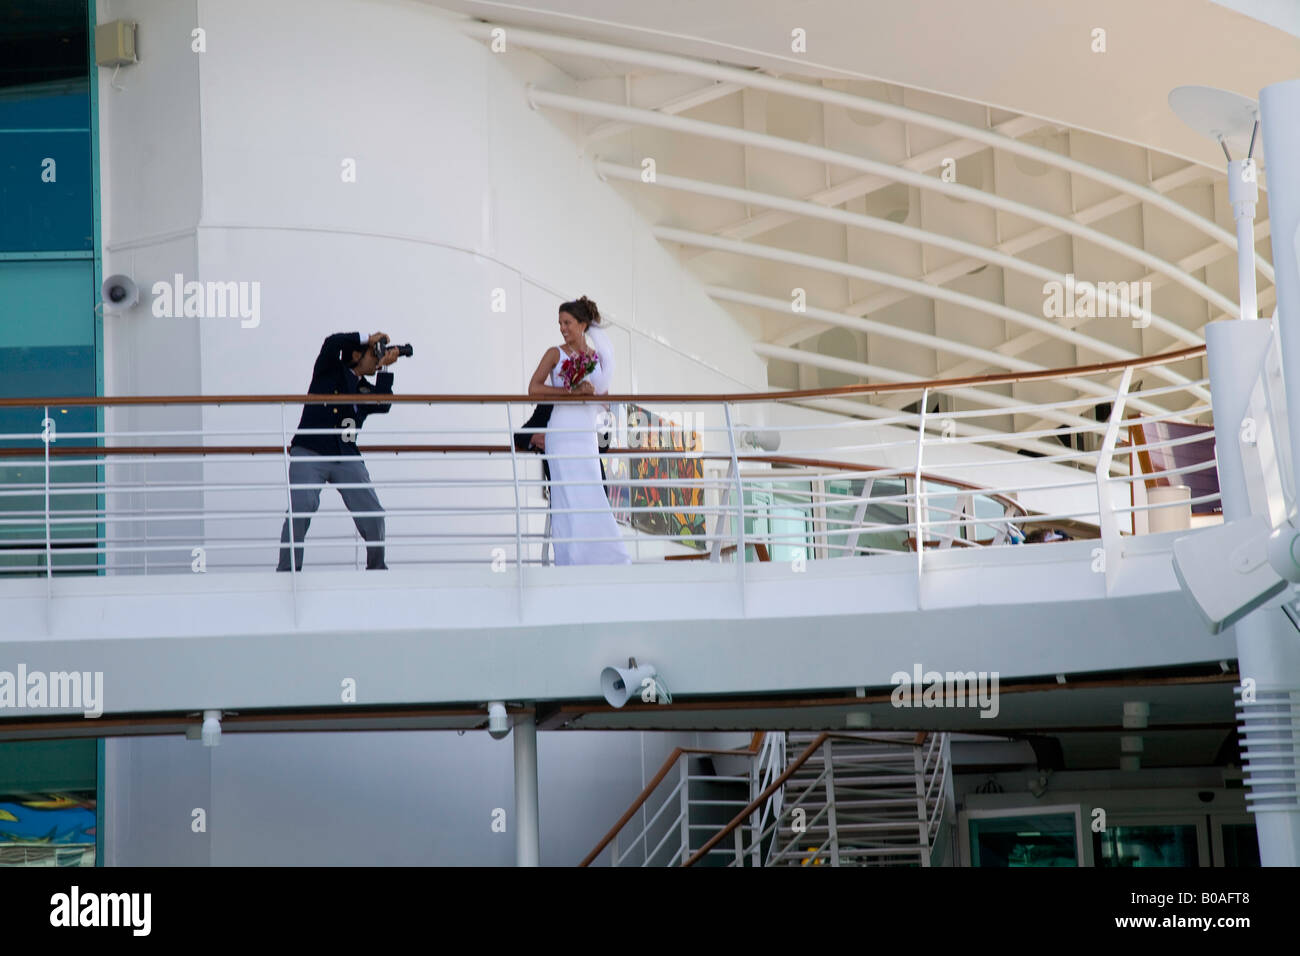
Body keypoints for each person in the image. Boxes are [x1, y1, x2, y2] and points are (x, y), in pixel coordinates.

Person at [277, 331, 402, 571]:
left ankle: (377, 570)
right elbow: (332, 342)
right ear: (356, 354)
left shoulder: (364, 389)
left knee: (374, 514)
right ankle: (287, 572)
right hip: (311, 449)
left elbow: (383, 403)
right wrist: (367, 337)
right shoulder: (328, 370)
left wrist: (385, 368)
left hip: (346, 454)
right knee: (301, 507)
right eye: (372, 354)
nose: (376, 360)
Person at [527, 297, 630, 565]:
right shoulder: (554, 353)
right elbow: (533, 388)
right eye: (560, 323)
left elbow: (603, 398)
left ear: (583, 325)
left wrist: (599, 400)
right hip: (561, 433)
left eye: (568, 323)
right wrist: (570, 391)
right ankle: (570, 558)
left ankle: (607, 557)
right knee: (566, 497)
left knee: (592, 492)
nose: (562, 328)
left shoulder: (596, 358)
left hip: (586, 435)